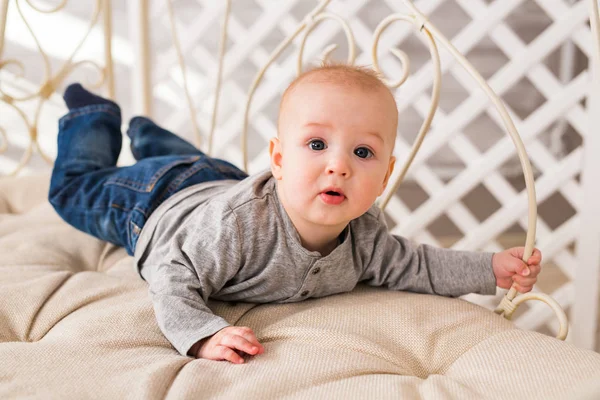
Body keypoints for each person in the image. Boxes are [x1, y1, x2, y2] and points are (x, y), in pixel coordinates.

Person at [49, 64, 542, 365]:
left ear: (386, 175)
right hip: (157, 201)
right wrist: (201, 335)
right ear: (280, 159)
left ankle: (154, 136)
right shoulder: (237, 229)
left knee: (197, 164)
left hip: (219, 176)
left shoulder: (366, 235)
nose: (338, 165)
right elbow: (173, 274)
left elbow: (420, 265)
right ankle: (93, 118)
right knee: (72, 192)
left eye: (363, 154)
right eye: (317, 144)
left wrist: (490, 268)